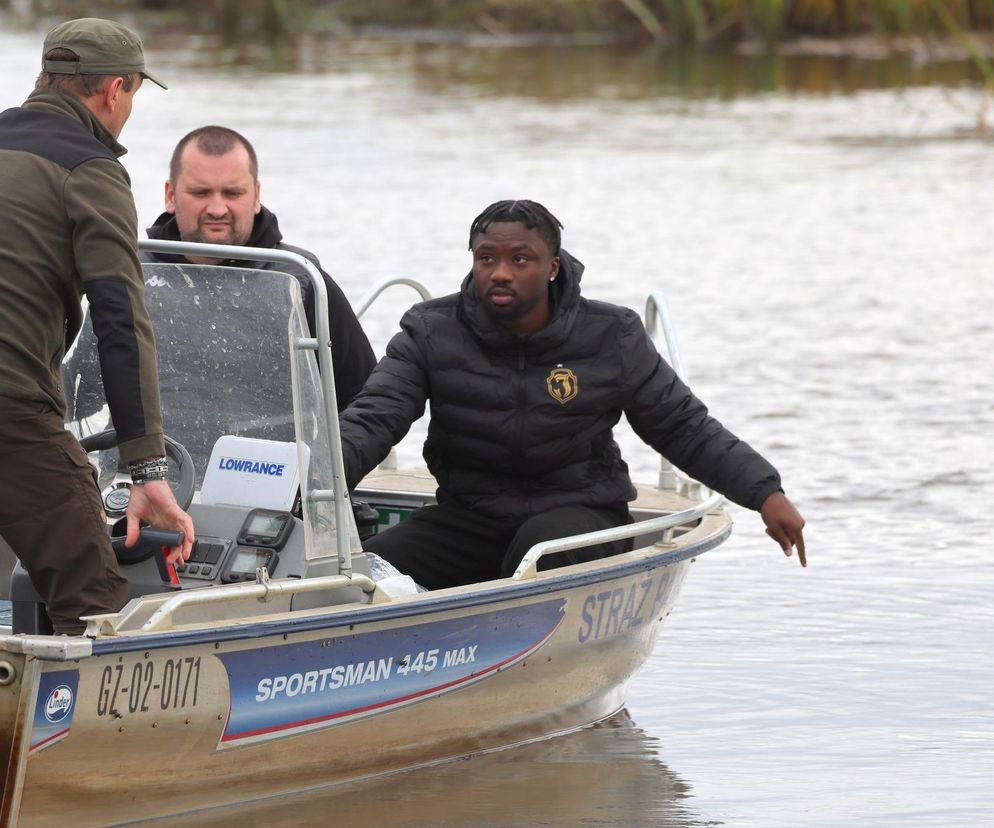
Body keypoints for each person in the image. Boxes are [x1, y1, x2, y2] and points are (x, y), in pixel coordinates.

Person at [338, 199, 806, 591]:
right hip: (469, 516)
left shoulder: (611, 335)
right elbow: (375, 417)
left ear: (551, 267)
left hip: (579, 512)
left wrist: (765, 492)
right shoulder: (429, 330)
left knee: (540, 553)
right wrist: (309, 479)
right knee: (364, 576)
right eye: (487, 259)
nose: (500, 273)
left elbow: (682, 425)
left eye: (520, 259)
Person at [0, 18, 195, 635]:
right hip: (10, 409)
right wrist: (147, 469)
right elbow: (119, 322)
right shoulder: (91, 169)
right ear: (114, 90)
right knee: (95, 606)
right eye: (132, 95)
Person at [143, 125, 376, 408]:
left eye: (232, 193)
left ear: (256, 196)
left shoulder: (299, 279)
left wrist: (344, 452)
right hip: (148, 451)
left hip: (273, 451)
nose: (217, 209)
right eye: (200, 192)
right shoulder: (133, 273)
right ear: (170, 195)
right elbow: (83, 386)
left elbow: (367, 398)